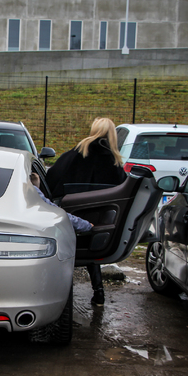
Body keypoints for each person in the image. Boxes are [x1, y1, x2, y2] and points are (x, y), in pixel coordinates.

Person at [45, 117, 127, 306]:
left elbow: (52, 178)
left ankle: (63, 296)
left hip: (71, 216)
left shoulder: (76, 153)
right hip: (98, 221)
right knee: (93, 252)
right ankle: (98, 292)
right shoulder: (114, 161)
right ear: (113, 135)